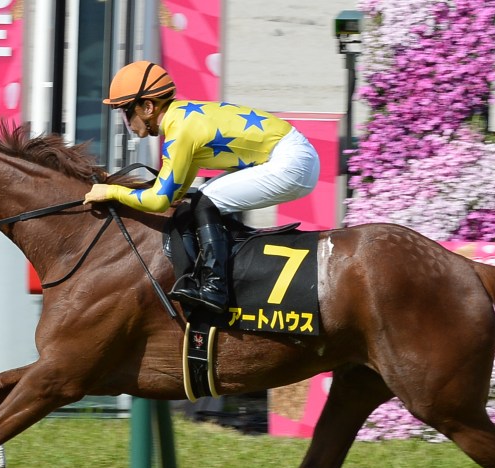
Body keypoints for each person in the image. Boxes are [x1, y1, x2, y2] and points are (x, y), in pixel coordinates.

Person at [83, 60, 320, 314]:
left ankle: (215, 288)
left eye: (126, 111)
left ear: (148, 107)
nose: (127, 121)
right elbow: (174, 191)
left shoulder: (180, 131)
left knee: (206, 199)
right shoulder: (182, 118)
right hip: (295, 156)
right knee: (199, 201)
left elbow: (158, 201)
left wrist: (110, 192)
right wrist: (118, 185)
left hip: (292, 161)